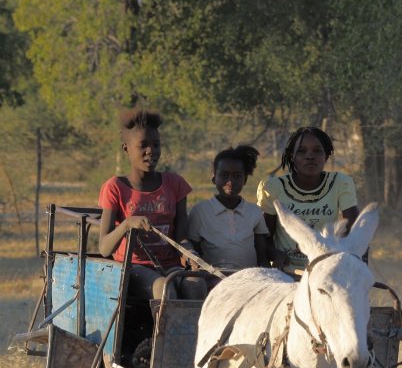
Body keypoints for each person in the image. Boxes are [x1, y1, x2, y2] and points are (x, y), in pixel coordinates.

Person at [98, 108, 206, 301]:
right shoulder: (115, 187)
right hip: (133, 267)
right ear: (126, 149)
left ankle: (190, 323)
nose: (151, 151)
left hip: (171, 265)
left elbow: (181, 238)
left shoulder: (175, 184)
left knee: (197, 284)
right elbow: (104, 248)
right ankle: (165, 323)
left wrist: (190, 254)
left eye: (156, 145)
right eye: (143, 145)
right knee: (164, 288)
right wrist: (127, 224)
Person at [256, 126, 359, 271]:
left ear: (326, 156)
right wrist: (275, 254)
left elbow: (355, 234)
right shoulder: (273, 187)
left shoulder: (340, 183)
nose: (310, 156)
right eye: (301, 151)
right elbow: (263, 238)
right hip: (285, 274)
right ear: (292, 156)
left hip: (326, 271)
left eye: (317, 151)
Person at [188, 145, 269, 275]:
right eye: (224, 175)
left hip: (249, 279)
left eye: (237, 176)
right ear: (214, 178)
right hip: (213, 280)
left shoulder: (254, 212)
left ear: (245, 179)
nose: (230, 181)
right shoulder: (200, 211)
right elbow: (194, 253)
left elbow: (262, 256)